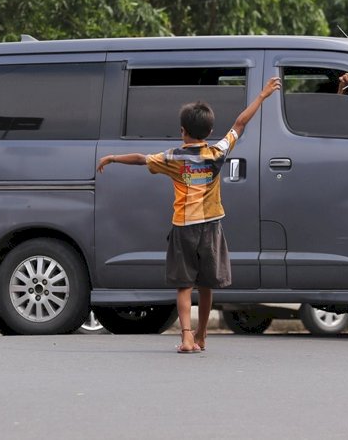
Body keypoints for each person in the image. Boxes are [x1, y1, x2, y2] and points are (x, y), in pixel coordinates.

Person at [97, 77, 282, 353]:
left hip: (184, 226)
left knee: (184, 285)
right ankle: (202, 335)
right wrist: (263, 95)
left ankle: (186, 336)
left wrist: (112, 157)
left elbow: (140, 158)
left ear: (183, 131)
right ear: (209, 130)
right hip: (211, 227)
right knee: (206, 285)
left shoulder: (174, 158)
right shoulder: (217, 152)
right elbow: (240, 123)